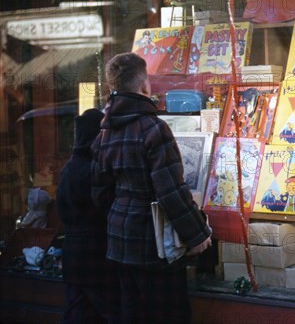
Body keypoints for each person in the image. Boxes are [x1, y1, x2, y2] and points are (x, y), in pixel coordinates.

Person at [91, 53, 212, 324]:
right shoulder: (153, 129)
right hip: (154, 246)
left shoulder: (105, 133)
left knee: (132, 316)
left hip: (120, 242)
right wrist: (198, 234)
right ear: (145, 86)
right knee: (169, 315)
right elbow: (171, 192)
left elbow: (100, 193)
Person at [56, 108, 121, 324]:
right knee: (111, 312)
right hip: (95, 252)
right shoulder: (94, 169)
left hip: (73, 254)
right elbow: (106, 207)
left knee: (77, 311)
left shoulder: (68, 168)